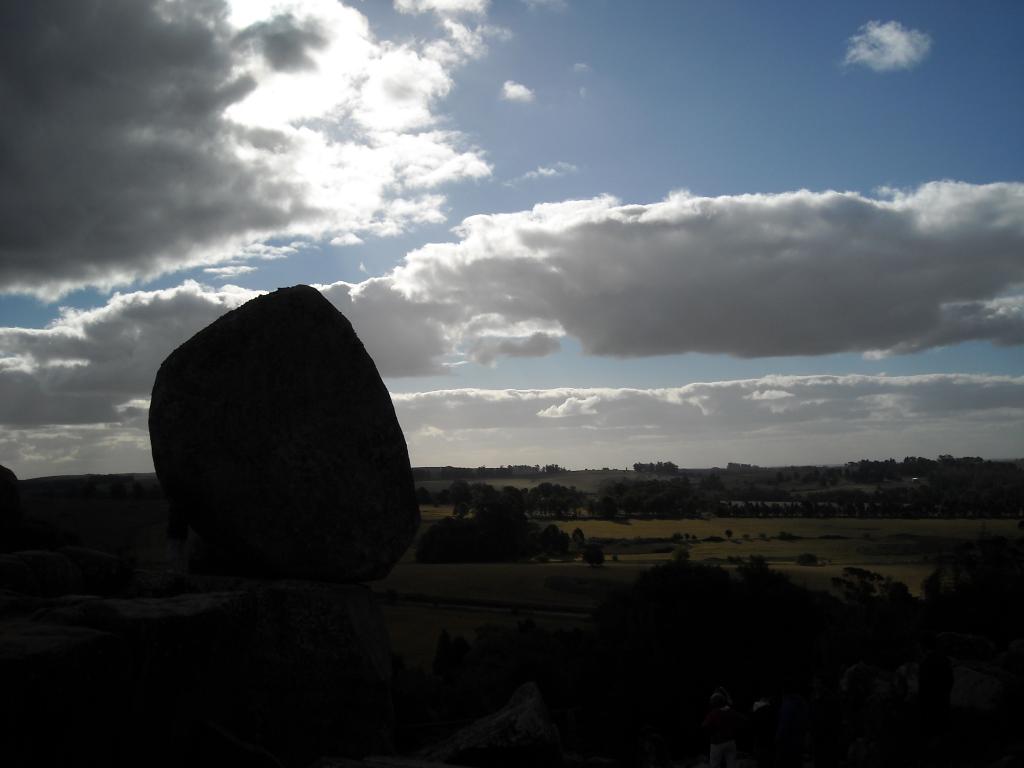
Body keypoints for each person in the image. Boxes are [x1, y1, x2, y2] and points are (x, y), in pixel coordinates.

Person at [701, 691, 746, 768]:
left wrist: (713, 731)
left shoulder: (713, 714)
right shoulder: (731, 711)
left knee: (715, 765)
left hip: (717, 743)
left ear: (714, 703)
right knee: (731, 765)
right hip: (730, 741)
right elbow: (743, 720)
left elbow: (704, 726)